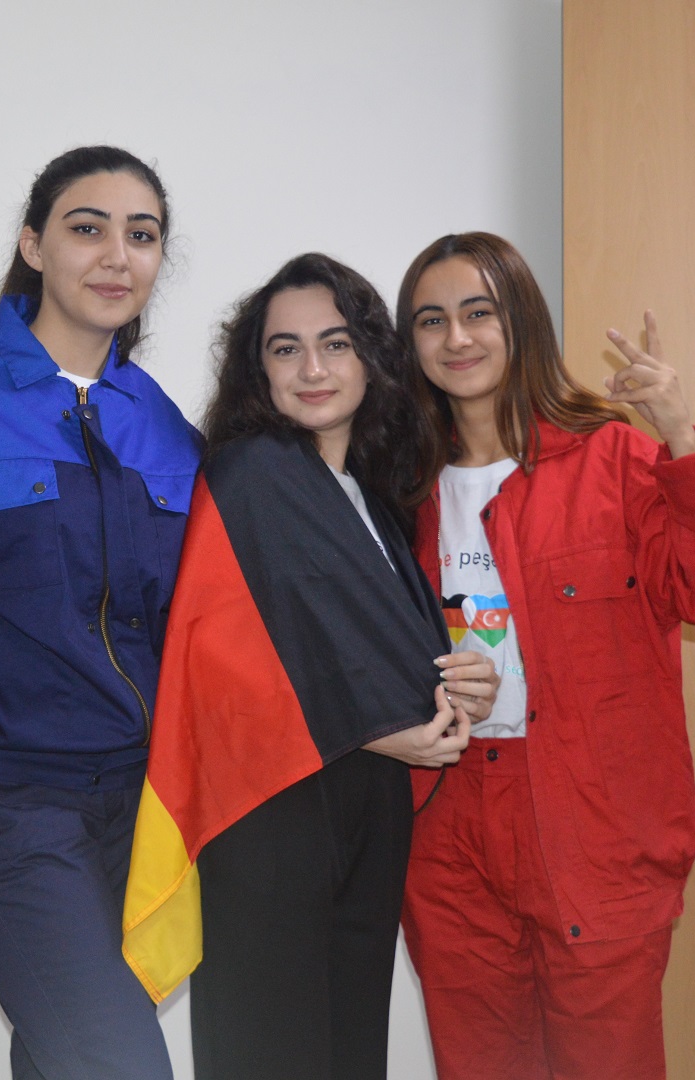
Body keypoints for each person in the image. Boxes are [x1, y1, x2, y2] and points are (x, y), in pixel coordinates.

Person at [394, 232, 695, 1079]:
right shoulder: (398, 489)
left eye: (478, 312)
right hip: (449, 822)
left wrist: (680, 436)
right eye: (431, 320)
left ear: (522, 321)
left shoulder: (615, 458)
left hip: (592, 820)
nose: (457, 338)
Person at [122, 253, 498, 1080]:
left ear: (370, 356)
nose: (313, 369)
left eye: (335, 343)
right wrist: (380, 729)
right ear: (258, 370)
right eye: (285, 349)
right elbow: (223, 663)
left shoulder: (369, 490)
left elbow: (362, 645)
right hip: (275, 810)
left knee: (349, 1049)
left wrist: (454, 685)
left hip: (366, 804)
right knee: (272, 1053)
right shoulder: (250, 474)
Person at [0, 146, 201, 1080]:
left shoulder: (165, 424)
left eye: (142, 235)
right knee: (117, 1062)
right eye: (89, 229)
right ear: (34, 246)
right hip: (6, 800)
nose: (117, 255)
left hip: (141, 805)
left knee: (63, 1056)